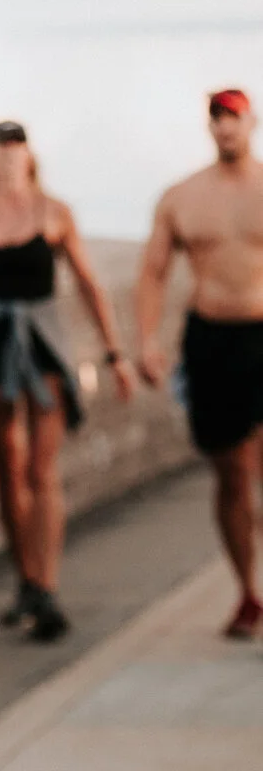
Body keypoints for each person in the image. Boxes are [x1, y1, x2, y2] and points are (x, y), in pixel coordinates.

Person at [0, 121, 132, 643]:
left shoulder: (55, 212)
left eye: (17, 146)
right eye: (1, 146)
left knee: (42, 471)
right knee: (7, 471)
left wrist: (115, 355)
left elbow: (89, 284)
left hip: (44, 347)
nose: (10, 155)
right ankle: (26, 580)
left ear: (30, 155)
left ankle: (46, 586)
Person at [135, 88, 263, 640]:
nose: (226, 128)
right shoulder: (182, 197)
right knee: (231, 472)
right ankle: (247, 592)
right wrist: (146, 340)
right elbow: (153, 273)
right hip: (211, 337)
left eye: (234, 118)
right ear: (209, 128)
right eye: (218, 119)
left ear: (251, 122)